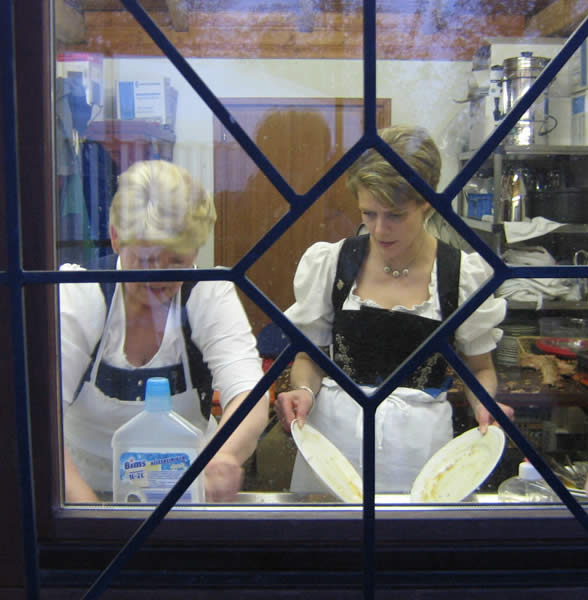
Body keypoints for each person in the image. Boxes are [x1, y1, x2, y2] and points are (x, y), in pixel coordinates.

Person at [275, 125, 514, 493]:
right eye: (368, 213)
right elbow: (310, 356)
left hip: (420, 451)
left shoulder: (460, 275)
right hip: (333, 450)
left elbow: (479, 368)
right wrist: (303, 390)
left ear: (427, 203)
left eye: (395, 215)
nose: (379, 229)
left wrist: (485, 405)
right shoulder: (334, 265)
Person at [60, 160, 269, 503]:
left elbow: (249, 393)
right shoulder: (80, 293)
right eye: (146, 259)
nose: (159, 277)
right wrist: (91, 514)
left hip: (185, 494)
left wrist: (224, 455)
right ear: (116, 237)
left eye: (176, 261)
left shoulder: (209, 293)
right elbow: (39, 418)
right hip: (83, 491)